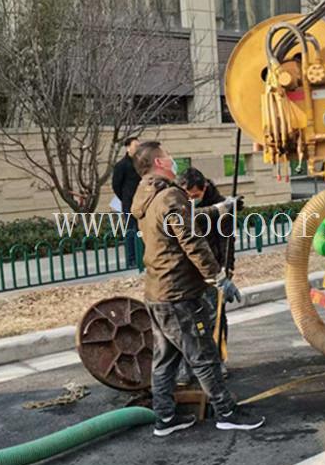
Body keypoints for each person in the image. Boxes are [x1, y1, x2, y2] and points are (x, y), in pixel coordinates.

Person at [131, 141, 265, 436]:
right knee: (204, 356)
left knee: (165, 360)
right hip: (179, 294)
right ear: (159, 162)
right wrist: (218, 278)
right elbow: (191, 240)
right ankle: (226, 412)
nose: (171, 158)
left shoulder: (145, 195)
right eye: (167, 155)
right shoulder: (168, 195)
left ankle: (164, 418)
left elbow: (181, 221)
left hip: (156, 292)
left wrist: (218, 209)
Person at [176, 167, 242, 383]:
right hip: (188, 271)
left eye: (196, 196)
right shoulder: (178, 204)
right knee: (188, 321)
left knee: (216, 317)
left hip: (213, 268)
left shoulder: (222, 206)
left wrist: (227, 268)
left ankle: (219, 360)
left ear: (204, 188)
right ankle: (189, 365)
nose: (192, 200)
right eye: (188, 196)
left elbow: (227, 239)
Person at [112, 137, 141, 265]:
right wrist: (125, 197)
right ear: (128, 147)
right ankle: (132, 258)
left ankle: (143, 256)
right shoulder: (121, 165)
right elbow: (116, 185)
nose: (138, 148)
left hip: (142, 201)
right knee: (131, 230)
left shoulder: (141, 163)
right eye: (135, 146)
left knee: (143, 229)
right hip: (129, 202)